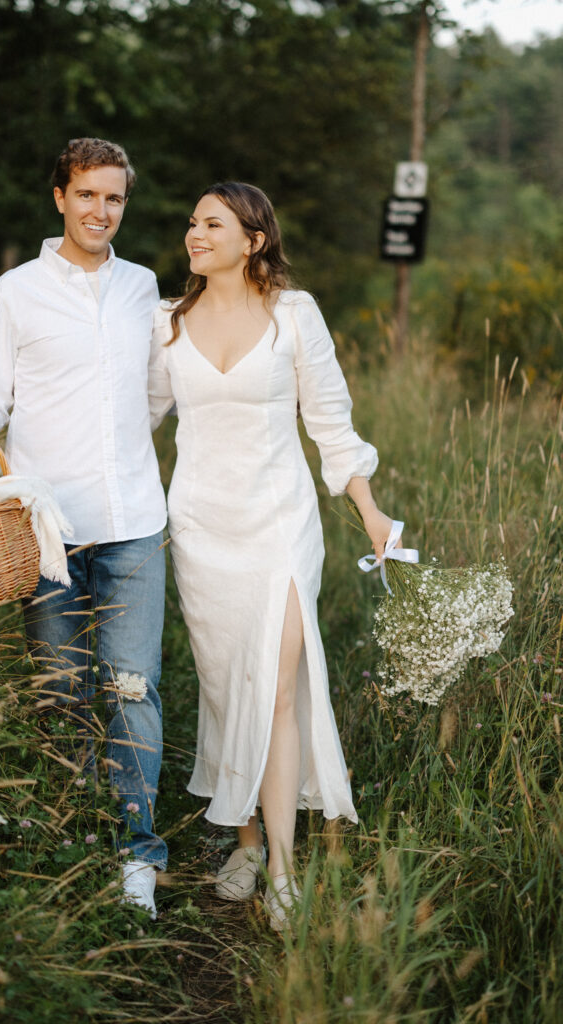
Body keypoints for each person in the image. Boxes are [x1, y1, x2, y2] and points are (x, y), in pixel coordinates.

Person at [148, 181, 396, 931]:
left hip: (280, 523)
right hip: (202, 528)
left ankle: (283, 867)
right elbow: (131, 420)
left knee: (280, 687)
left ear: (253, 240)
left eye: (212, 223)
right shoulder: (166, 322)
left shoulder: (295, 314)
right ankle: (246, 842)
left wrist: (371, 511)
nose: (195, 234)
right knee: (229, 687)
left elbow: (331, 423)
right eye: (193, 222)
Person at [0, 137, 168, 919]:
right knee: (59, 691)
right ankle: (69, 838)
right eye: (88, 194)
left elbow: (154, 391)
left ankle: (136, 854)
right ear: (60, 197)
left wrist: (124, 448)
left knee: (131, 689)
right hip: (46, 532)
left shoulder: (143, 288)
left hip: (134, 523)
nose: (102, 211)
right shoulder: (15, 293)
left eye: (114, 197)